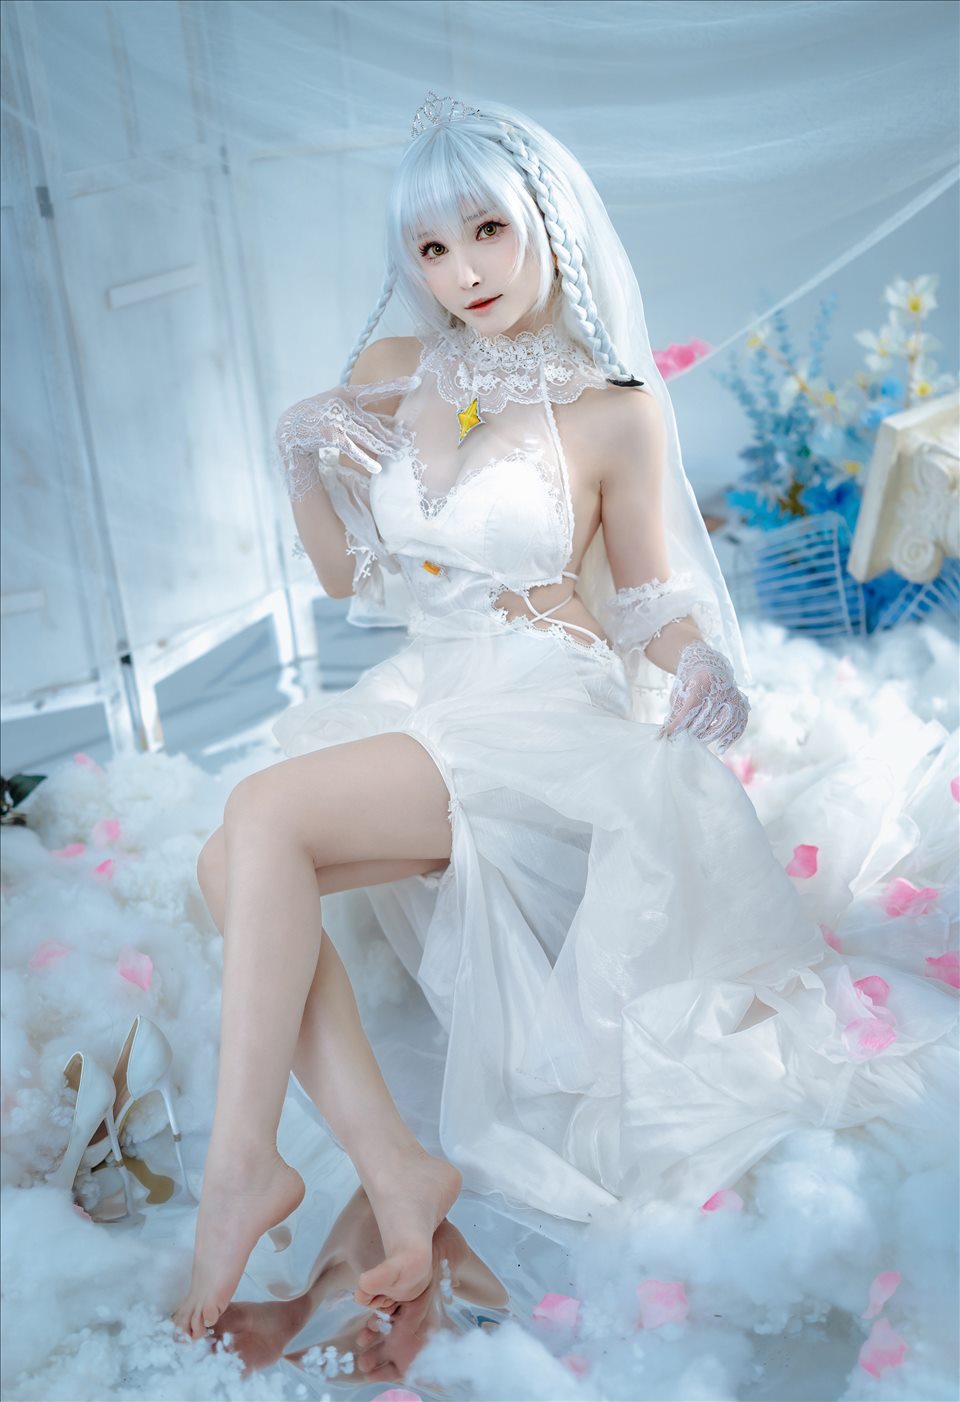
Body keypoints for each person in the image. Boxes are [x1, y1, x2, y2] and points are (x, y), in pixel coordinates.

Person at [172, 93, 956, 1342]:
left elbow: (648, 597)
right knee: (234, 858)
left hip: (544, 701)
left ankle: (239, 1171)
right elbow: (341, 576)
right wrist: (298, 454)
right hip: (434, 690)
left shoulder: (614, 406)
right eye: (433, 247)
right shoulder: (393, 369)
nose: (464, 272)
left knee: (260, 812)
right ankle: (395, 1170)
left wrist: (701, 663)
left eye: (488, 230)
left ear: (547, 222)